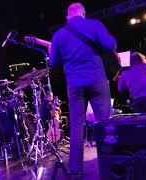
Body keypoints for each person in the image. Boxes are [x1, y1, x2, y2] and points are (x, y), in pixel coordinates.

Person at [49, 2, 117, 177]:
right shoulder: (94, 25)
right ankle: (110, 167)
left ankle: (75, 170)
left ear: (67, 16)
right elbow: (110, 45)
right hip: (97, 81)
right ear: (83, 14)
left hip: (74, 85)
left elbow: (54, 63)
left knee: (76, 128)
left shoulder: (59, 34)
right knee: (105, 125)